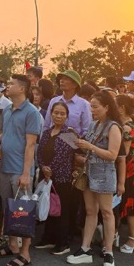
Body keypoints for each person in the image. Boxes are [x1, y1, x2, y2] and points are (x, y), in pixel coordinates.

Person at [67, 91, 123, 266]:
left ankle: (109, 252)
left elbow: (113, 155)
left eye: (95, 106)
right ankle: (85, 248)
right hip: (90, 171)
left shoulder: (113, 127)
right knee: (90, 211)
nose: (92, 110)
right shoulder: (93, 124)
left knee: (106, 212)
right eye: (91, 106)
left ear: (107, 107)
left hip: (105, 174)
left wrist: (89, 146)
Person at [0, 74, 42, 266]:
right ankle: (12, 244)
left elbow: (31, 144)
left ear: (22, 89)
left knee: (22, 210)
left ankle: (25, 253)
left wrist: (26, 174)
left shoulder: (31, 112)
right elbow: (4, 136)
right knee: (8, 207)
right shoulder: (7, 109)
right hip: (5, 167)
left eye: (12, 83)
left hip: (20, 170)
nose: (8, 85)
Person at [36, 101, 80, 256]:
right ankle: (48, 238)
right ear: (51, 113)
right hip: (46, 176)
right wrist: (43, 167)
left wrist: (50, 170)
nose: (58, 116)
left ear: (67, 116)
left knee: (62, 210)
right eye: (56, 113)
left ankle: (63, 242)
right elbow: (39, 152)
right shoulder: (47, 132)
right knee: (48, 207)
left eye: (62, 113)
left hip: (62, 177)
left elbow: (66, 156)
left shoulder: (70, 133)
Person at [115, 94, 134, 254]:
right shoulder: (124, 125)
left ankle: (133, 237)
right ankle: (117, 233)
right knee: (121, 201)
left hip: (130, 169)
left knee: (131, 202)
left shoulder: (127, 127)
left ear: (122, 107)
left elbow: (124, 152)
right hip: (127, 167)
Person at [43, 70, 92, 134]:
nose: (62, 81)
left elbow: (87, 130)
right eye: (61, 79)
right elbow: (47, 125)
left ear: (74, 84)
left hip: (73, 142)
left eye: (66, 79)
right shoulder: (54, 101)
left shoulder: (84, 104)